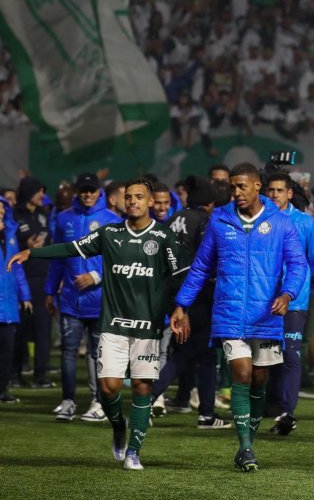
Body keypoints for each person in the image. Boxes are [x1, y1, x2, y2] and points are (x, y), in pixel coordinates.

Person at [8, 177, 190, 471]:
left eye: (139, 197)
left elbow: (181, 276)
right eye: (129, 197)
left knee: (143, 388)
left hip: (148, 328)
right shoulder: (110, 234)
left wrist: (181, 309)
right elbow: (71, 248)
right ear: (122, 200)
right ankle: (119, 425)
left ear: (150, 202)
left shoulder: (164, 237)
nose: (133, 201)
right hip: (113, 325)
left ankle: (134, 451)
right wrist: (33, 253)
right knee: (108, 389)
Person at [170, 163, 308, 472]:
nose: (236, 192)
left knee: (260, 379)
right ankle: (245, 447)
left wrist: (287, 295)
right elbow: (202, 267)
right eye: (232, 187)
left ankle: (249, 440)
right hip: (230, 314)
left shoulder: (282, 223)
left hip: (267, 315)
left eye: (242, 186)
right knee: (242, 374)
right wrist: (182, 304)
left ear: (258, 186)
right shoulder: (219, 221)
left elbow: (298, 264)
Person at [152, 176, 231, 430]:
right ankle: (147, 398)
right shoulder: (205, 222)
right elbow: (206, 261)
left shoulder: (174, 219)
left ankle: (206, 414)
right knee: (187, 353)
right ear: (208, 203)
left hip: (172, 293)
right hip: (196, 295)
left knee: (204, 355)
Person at [264, 172, 314, 436]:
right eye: (270, 190)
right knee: (264, 360)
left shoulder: (305, 223)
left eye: (279, 191)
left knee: (290, 355)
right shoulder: (260, 222)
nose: (274, 195)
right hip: (263, 302)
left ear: (290, 193)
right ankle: (266, 407)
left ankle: (287, 413)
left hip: (295, 301)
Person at [45, 172, 118, 422]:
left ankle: (98, 402)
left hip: (99, 301)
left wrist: (95, 277)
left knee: (98, 354)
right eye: (84, 190)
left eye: (92, 190)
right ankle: (68, 401)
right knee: (68, 351)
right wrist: (48, 290)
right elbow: (57, 259)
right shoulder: (63, 218)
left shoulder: (112, 220)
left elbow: (118, 261)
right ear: (77, 192)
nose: (88, 194)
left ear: (100, 191)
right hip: (70, 300)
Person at [12, 175, 53, 388]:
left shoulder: (43, 215)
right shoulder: (14, 215)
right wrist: (25, 244)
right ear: (29, 192)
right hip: (22, 278)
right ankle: (15, 372)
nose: (43, 196)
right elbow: (10, 247)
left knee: (43, 328)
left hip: (42, 277)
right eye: (39, 191)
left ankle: (41, 374)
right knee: (20, 329)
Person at [0, 197, 31, 403]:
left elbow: (17, 268)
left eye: (2, 210)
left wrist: (25, 295)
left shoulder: (10, 235)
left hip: (8, 303)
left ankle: (2, 389)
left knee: (6, 349)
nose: (1, 213)